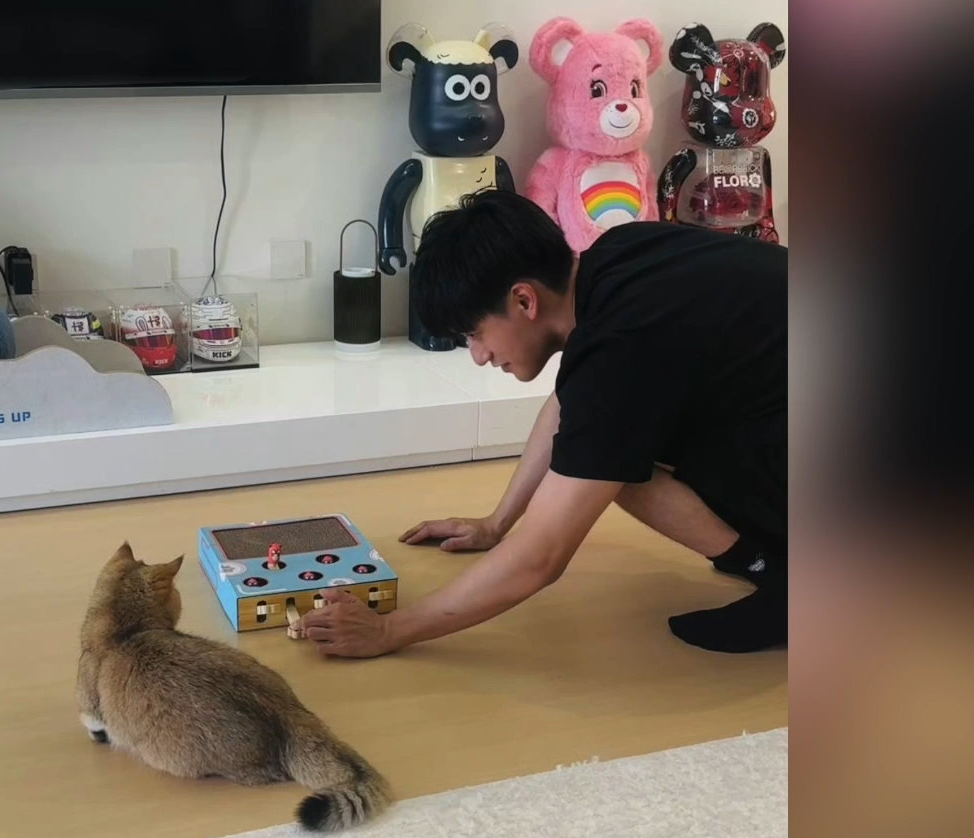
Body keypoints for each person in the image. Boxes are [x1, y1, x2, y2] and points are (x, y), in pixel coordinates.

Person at [300, 190, 786, 657]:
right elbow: (571, 405)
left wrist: (388, 630)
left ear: (523, 300)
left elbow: (541, 557)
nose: (479, 355)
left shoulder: (619, 345)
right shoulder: (618, 255)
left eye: (474, 333)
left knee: (609, 461)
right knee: (604, 446)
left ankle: (782, 582)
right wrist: (497, 524)